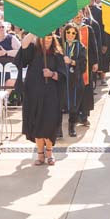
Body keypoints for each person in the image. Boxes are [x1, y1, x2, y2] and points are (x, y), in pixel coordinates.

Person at [16, 32, 64, 166]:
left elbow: (63, 75)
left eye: (49, 37)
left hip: (51, 95)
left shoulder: (57, 54)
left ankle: (49, 152)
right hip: (33, 94)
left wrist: (52, 74)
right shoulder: (33, 51)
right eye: (44, 37)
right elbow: (24, 44)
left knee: (49, 124)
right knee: (36, 123)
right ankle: (40, 154)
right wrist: (34, 29)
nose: (47, 40)